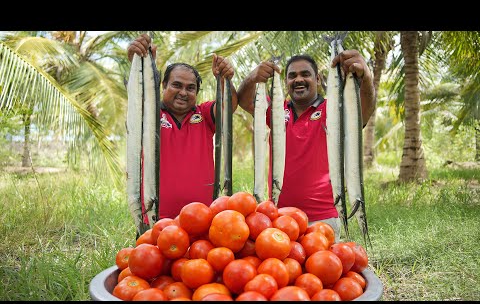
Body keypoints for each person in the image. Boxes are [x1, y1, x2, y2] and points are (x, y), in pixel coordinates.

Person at [237, 51, 375, 242]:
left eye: (305, 74)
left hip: (322, 219)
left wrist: (366, 77)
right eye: (292, 76)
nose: (298, 79)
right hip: (280, 218)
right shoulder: (277, 111)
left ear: (317, 79)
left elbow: (362, 113)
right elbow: (244, 100)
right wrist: (253, 76)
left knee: (319, 271)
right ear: (285, 82)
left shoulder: (332, 110)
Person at [127, 33, 238, 221]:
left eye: (190, 88)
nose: (183, 92)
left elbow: (230, 105)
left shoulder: (204, 114)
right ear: (163, 85)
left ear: (197, 92)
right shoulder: (149, 113)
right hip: (155, 219)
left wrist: (224, 79)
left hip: (202, 220)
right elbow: (138, 93)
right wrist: (136, 61)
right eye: (176, 85)